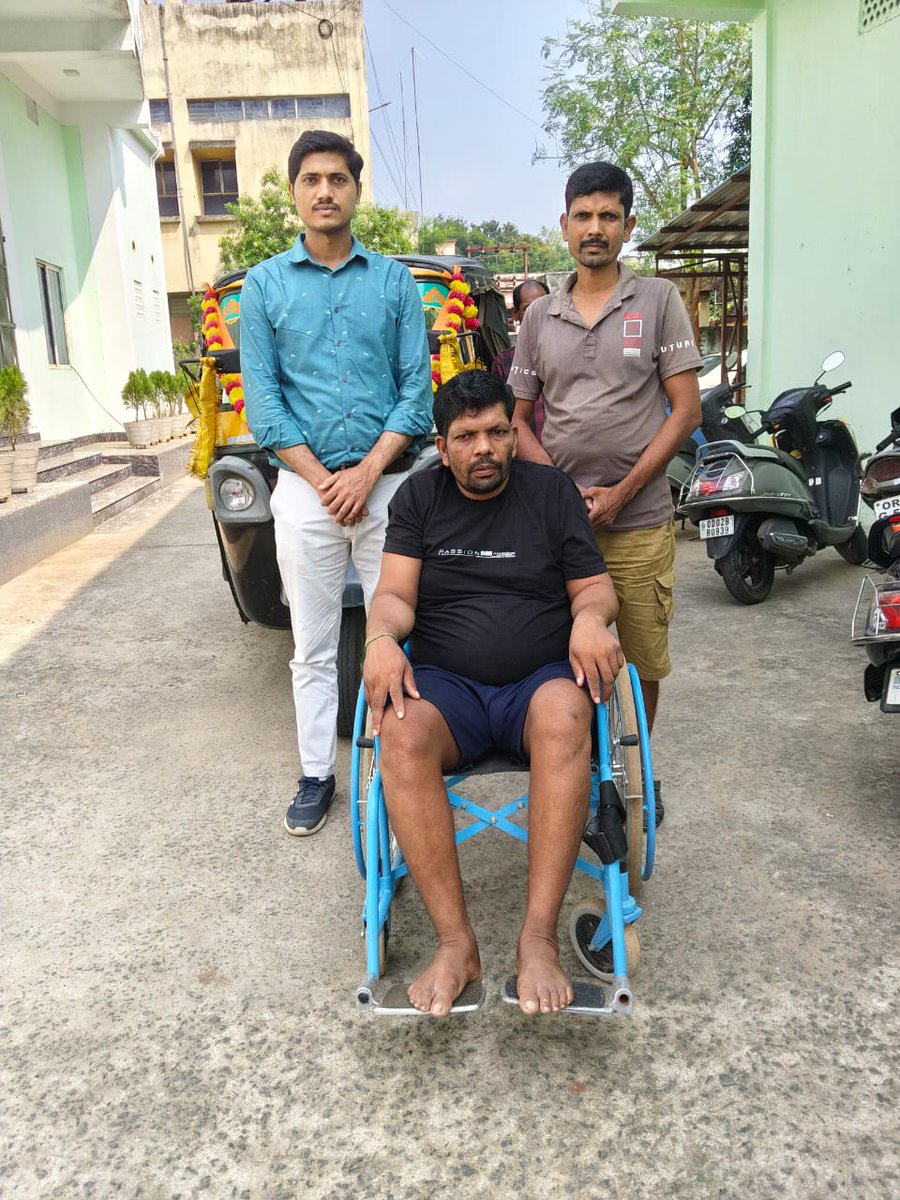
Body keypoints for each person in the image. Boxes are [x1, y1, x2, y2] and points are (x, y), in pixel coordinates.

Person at [363, 370, 624, 1017]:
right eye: (466, 436)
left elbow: (594, 587)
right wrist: (380, 638)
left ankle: (537, 943)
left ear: (515, 433)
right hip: (447, 689)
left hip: (537, 682)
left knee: (569, 713)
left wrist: (590, 618)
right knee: (397, 732)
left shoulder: (550, 493)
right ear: (442, 444)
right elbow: (395, 595)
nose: (483, 448)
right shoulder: (418, 499)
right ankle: (457, 946)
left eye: (497, 432)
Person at [240, 130, 432, 837]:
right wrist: (327, 480)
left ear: (356, 190)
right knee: (314, 644)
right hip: (306, 491)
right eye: (311, 179)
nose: (325, 191)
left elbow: (415, 393)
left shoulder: (393, 283)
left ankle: (397, 767)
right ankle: (317, 774)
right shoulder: (264, 285)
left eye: (338, 179)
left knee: (400, 634)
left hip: (390, 487)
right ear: (295, 192)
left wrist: (369, 471)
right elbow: (264, 404)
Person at [509, 162, 702, 821]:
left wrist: (620, 493)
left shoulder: (657, 302)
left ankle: (632, 766)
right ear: (564, 226)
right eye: (583, 216)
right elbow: (517, 421)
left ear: (627, 225)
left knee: (642, 659)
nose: (595, 229)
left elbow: (684, 412)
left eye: (608, 216)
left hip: (642, 520)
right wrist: (564, 497)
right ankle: (585, 769)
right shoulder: (538, 315)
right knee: (562, 654)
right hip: (560, 529)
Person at [491, 278, 550, 440]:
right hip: (526, 453)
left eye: (544, 306)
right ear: (515, 314)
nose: (539, 314)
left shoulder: (569, 353)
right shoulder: (503, 362)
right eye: (529, 309)